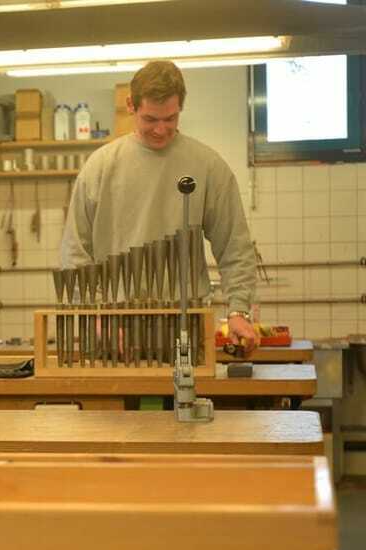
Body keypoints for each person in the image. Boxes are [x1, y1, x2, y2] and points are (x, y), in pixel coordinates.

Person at [61, 60, 258, 353]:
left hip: (185, 325)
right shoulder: (100, 168)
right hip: (113, 325)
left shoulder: (207, 166)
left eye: (170, 118)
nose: (161, 129)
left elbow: (235, 246)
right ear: (131, 105)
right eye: (150, 119)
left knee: (186, 385)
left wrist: (238, 311)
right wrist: (94, 313)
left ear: (180, 109)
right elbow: (75, 251)